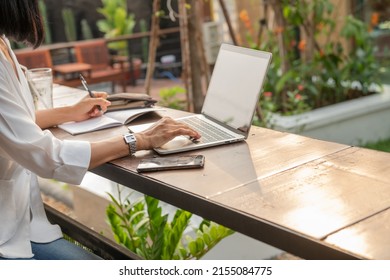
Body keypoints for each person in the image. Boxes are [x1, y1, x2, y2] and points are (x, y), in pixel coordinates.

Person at [0, 0, 200, 260]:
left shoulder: (3, 43)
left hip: (24, 220)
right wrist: (140, 139)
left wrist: (71, 112)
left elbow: (14, 124)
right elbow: (46, 156)